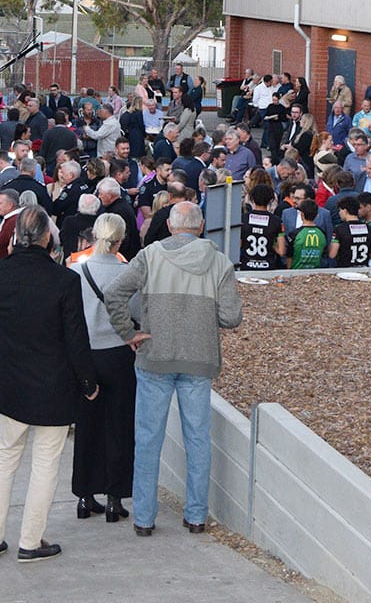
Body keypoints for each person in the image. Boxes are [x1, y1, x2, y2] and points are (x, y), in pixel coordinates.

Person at [104, 202, 242, 537]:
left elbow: (113, 293)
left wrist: (127, 332)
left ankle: (144, 518)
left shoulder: (150, 255)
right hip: (199, 358)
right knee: (198, 438)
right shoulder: (219, 262)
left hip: (155, 356)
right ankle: (196, 516)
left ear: (169, 225)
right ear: (201, 226)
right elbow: (231, 317)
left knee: (148, 438)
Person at [0, 207, 99, 563]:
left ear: (16, 236)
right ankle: (30, 541)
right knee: (45, 463)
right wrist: (88, 381)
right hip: (52, 383)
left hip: (9, 380)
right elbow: (76, 338)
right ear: (47, 237)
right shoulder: (64, 281)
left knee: (4, 457)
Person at [68, 213, 137, 523]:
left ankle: (84, 495)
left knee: (86, 426)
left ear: (93, 236)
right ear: (120, 240)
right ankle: (114, 497)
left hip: (85, 355)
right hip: (119, 354)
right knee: (118, 426)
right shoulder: (127, 272)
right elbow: (136, 313)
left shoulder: (75, 270)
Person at [239, 183, 286, 273]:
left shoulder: (243, 219)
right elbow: (281, 251)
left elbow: (238, 245)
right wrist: (271, 243)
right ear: (271, 200)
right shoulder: (276, 221)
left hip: (247, 267)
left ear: (252, 199)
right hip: (268, 268)